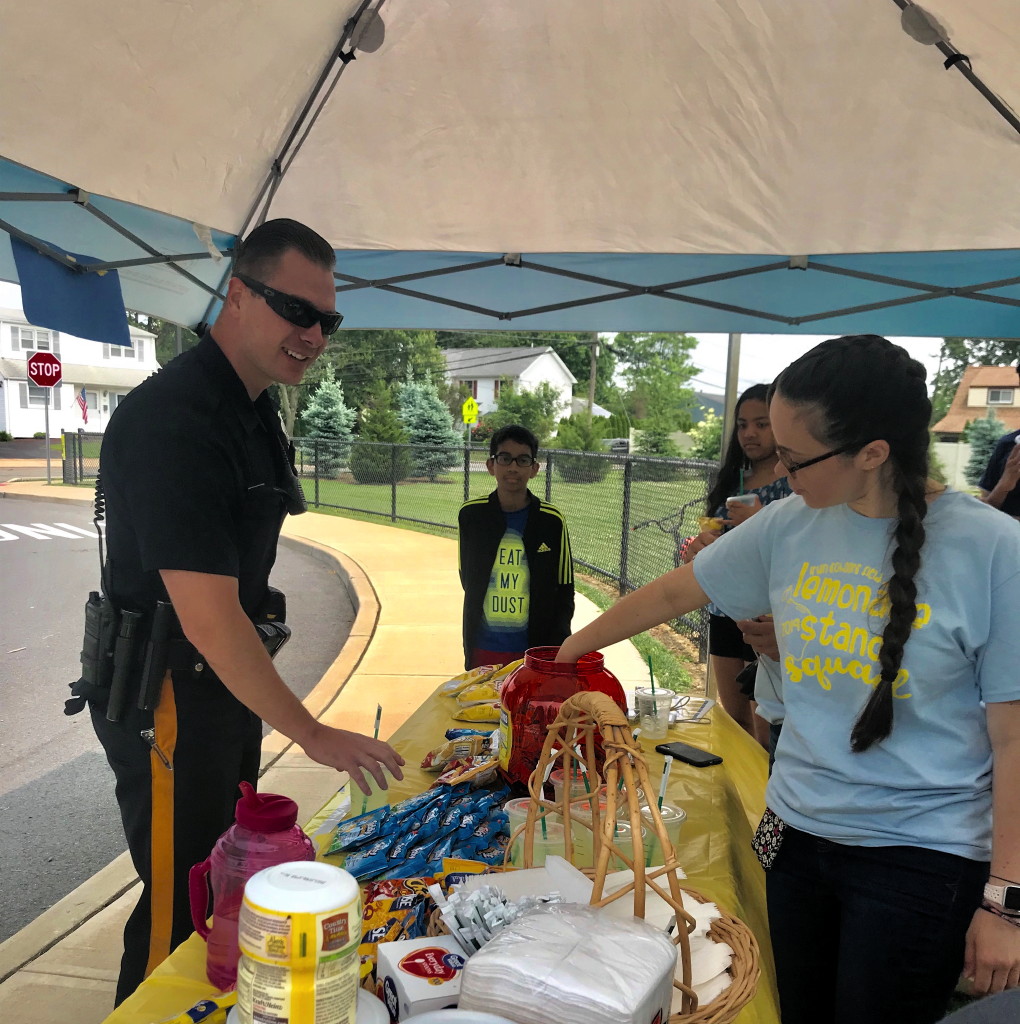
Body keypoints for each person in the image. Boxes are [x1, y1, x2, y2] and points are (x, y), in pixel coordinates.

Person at [558, 335, 1020, 1023]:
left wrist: (1004, 899)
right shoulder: (791, 522)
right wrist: (565, 656)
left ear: (873, 454)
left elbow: (1013, 740)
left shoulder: (994, 551)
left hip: (919, 858)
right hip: (799, 836)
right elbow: (670, 595)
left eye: (795, 458)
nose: (779, 469)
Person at [71, 218, 405, 1004]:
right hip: (169, 702)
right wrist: (313, 733)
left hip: (215, 697)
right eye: (297, 310)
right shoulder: (176, 421)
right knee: (176, 913)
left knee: (224, 890)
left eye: (329, 319)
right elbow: (209, 616)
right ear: (238, 294)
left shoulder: (249, 406)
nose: (315, 334)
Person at [680, 384, 790, 745]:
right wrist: (700, 548)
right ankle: (739, 797)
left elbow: (798, 551)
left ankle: (763, 797)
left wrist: (759, 523)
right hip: (723, 607)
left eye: (761, 424)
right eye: (743, 425)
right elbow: (716, 539)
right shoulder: (731, 478)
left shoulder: (795, 484)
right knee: (733, 719)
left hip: (766, 615)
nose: (750, 434)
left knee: (764, 723)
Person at [458, 424, 574, 669]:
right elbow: (466, 576)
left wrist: (556, 646)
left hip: (534, 651)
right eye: (505, 458)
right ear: (491, 465)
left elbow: (564, 587)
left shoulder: (551, 520)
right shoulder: (471, 515)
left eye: (522, 460)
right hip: (484, 647)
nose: (513, 467)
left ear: (534, 469)